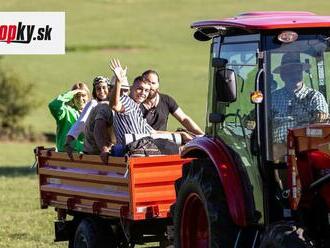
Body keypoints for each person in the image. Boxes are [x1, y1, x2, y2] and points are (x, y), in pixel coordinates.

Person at [109, 59, 193, 145]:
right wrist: (118, 82)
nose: (143, 93)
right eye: (139, 89)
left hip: (142, 147)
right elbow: (115, 106)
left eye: (146, 90)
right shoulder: (127, 101)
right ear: (131, 88)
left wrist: (182, 135)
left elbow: (153, 133)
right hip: (132, 150)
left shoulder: (137, 109)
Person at [272, 52, 328, 143]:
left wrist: (320, 116)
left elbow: (322, 117)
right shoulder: (272, 98)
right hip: (277, 151)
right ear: (282, 75)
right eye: (290, 71)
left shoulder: (315, 97)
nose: (295, 74)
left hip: (306, 148)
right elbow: (256, 117)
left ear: (302, 72)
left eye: (298, 70)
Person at [141, 70, 204, 135]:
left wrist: (202, 135)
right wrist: (180, 134)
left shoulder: (166, 100)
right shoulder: (135, 104)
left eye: (153, 83)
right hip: (143, 141)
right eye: (148, 83)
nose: (151, 86)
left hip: (163, 141)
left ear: (158, 85)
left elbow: (183, 119)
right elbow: (147, 131)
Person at [48, 82, 90, 152]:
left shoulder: (92, 113)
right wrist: (72, 93)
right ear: (72, 98)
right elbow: (53, 105)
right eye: (77, 96)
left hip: (85, 155)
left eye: (83, 95)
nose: (80, 99)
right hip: (65, 155)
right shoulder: (66, 111)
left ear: (88, 97)